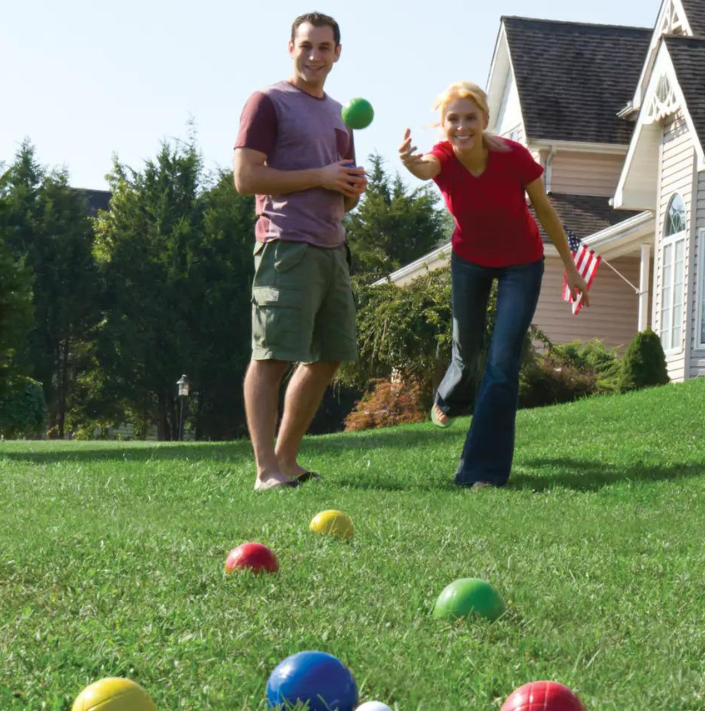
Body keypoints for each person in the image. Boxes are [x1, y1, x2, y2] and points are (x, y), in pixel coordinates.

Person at [398, 81, 589, 490]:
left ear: (485, 120)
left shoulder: (513, 157)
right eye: (454, 119)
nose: (462, 127)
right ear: (443, 124)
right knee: (466, 354)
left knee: (502, 363)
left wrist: (571, 268)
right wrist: (410, 164)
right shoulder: (442, 158)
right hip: (470, 262)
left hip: (522, 262)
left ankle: (482, 471)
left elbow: (544, 210)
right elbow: (426, 169)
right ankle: (448, 396)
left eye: (471, 118)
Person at [234, 12, 367, 490]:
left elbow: (341, 187)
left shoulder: (338, 113)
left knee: (328, 355)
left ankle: (288, 461)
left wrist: (350, 187)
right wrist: (320, 176)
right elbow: (246, 177)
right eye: (307, 46)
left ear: (337, 53)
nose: (315, 56)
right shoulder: (268, 102)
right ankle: (265, 469)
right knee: (271, 357)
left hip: (333, 247)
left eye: (325, 47)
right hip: (285, 245)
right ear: (290, 47)